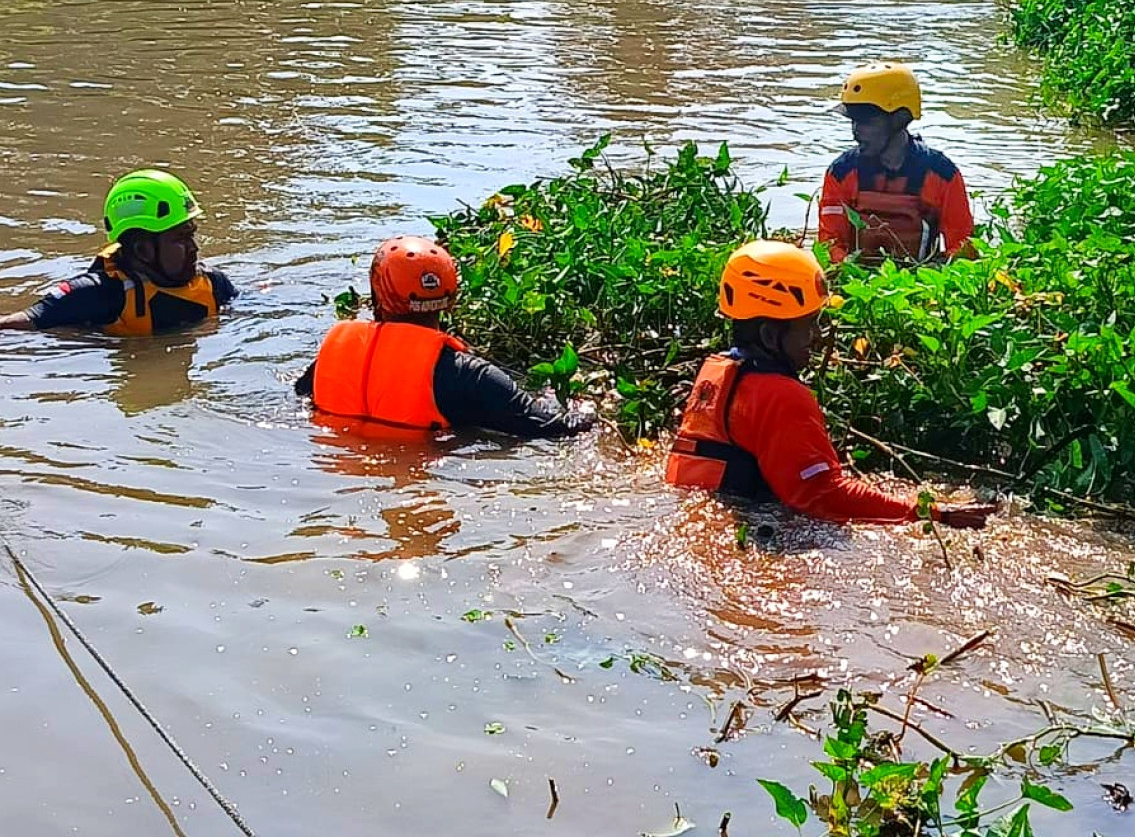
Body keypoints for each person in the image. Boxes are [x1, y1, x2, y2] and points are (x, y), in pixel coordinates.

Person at [666, 240, 994, 528]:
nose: (818, 338)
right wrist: (927, 512)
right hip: (759, 531)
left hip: (706, 517)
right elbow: (825, 497)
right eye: (808, 326)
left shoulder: (717, 370)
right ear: (769, 335)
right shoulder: (780, 396)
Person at [295, 235, 595, 439]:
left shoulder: (333, 354)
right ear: (451, 298)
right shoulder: (467, 374)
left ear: (377, 297)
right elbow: (553, 428)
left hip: (335, 468)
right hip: (428, 476)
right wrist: (590, 409)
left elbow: (300, 396)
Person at [0, 169, 237, 334]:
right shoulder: (100, 293)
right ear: (143, 250)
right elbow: (15, 325)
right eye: (181, 239)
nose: (194, 248)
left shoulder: (215, 283)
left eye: (191, 235)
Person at [818, 62, 975, 266]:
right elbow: (830, 243)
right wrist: (847, 272)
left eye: (867, 121)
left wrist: (936, 271)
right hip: (856, 282)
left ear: (900, 118)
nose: (856, 131)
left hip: (918, 284)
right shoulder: (841, 172)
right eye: (853, 121)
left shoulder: (941, 174)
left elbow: (963, 246)